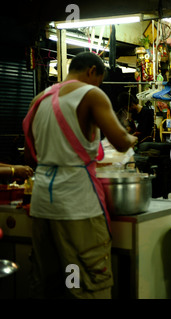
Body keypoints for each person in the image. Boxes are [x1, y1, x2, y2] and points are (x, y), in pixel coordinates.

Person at [22, 51, 137, 299]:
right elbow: (119, 141)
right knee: (85, 281)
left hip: (42, 205)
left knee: (50, 283)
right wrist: (132, 138)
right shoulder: (91, 94)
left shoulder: (39, 99)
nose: (99, 86)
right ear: (92, 71)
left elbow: (30, 157)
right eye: (99, 80)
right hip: (76, 206)